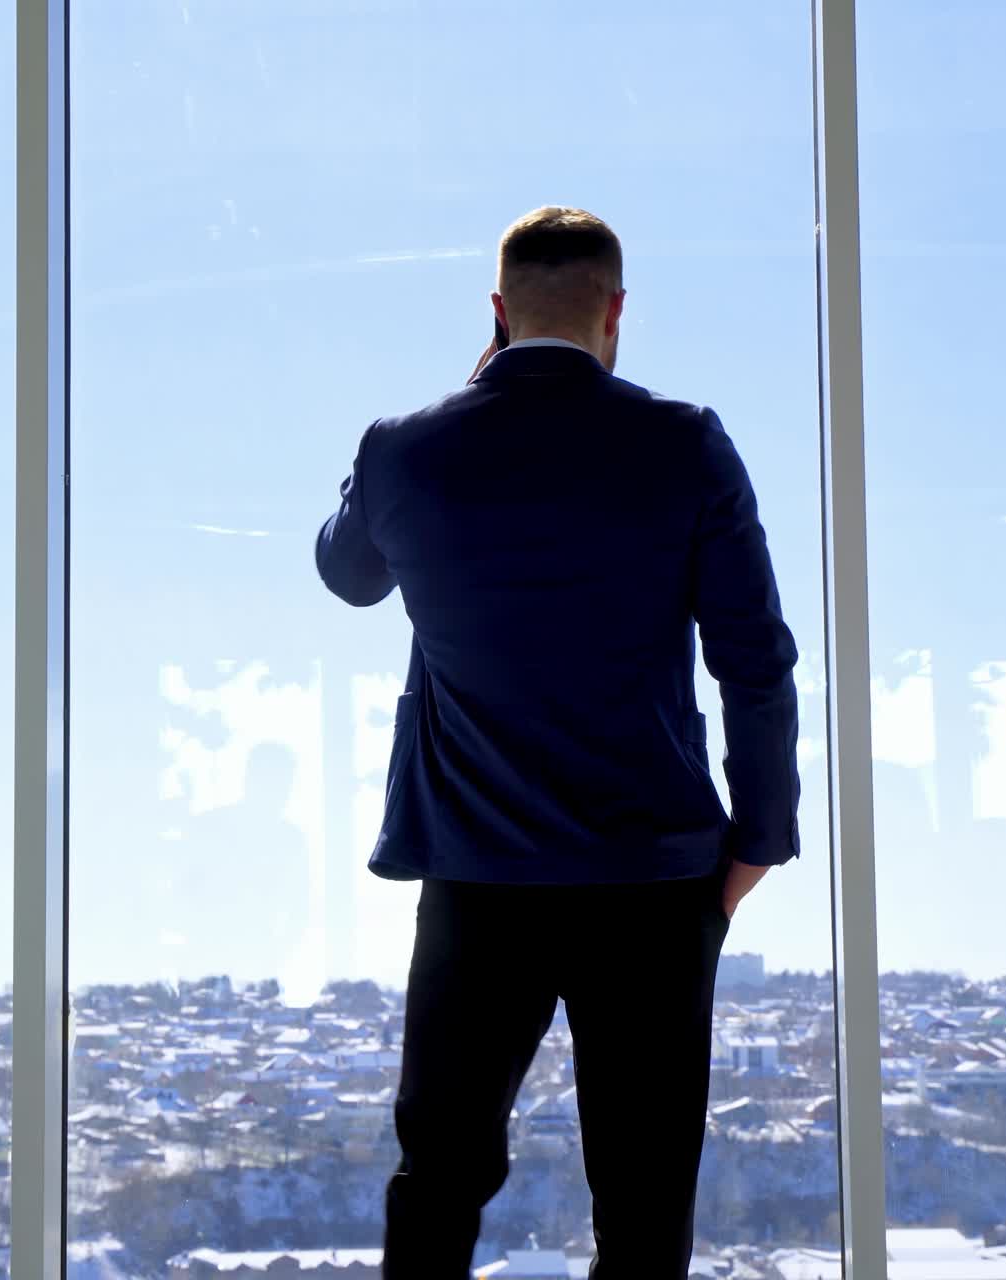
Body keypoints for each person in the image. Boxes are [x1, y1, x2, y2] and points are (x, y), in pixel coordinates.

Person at [314, 206, 800, 1280]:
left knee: (436, 1171)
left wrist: (408, 439)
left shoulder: (404, 448)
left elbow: (347, 573)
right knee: (642, 1188)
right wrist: (757, 837)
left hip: (475, 876)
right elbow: (752, 657)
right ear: (614, 312)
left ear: (495, 311)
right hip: (656, 877)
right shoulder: (684, 444)